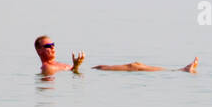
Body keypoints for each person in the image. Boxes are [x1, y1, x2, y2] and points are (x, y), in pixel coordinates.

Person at [34, 35, 198, 74]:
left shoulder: (54, 64)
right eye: (48, 46)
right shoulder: (47, 68)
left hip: (93, 71)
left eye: (53, 44)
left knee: (137, 64)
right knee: (134, 66)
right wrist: (76, 67)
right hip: (93, 74)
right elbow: (69, 74)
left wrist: (77, 66)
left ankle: (179, 70)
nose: (53, 47)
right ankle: (181, 71)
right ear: (39, 50)